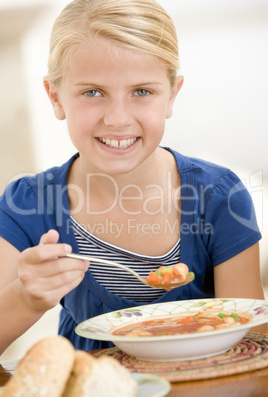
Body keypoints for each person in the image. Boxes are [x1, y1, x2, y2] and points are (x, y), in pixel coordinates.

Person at [0, 0, 265, 354]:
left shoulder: (219, 196)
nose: (118, 119)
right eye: (92, 92)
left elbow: (253, 343)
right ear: (55, 97)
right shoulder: (28, 205)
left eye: (142, 91)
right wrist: (26, 299)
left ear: (172, 94)